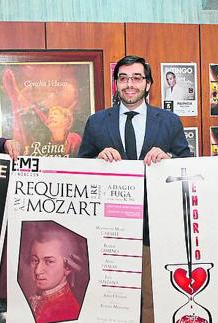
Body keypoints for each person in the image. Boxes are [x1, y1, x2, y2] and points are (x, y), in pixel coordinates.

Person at [78, 55, 191, 323]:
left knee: (153, 300)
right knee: (113, 302)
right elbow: (79, 168)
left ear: (148, 84)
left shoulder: (169, 121)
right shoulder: (96, 123)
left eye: (137, 78)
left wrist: (168, 159)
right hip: (109, 230)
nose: (130, 84)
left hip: (154, 231)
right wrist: (97, 160)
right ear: (116, 84)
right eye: (124, 78)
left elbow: (188, 164)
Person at [28, 230, 81, 323]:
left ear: (68, 267)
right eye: (35, 260)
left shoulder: (67, 311)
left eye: (49, 261)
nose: (37, 271)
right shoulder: (36, 299)